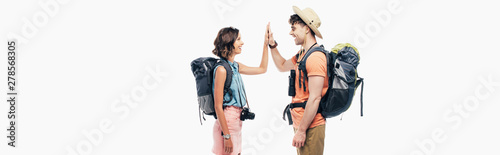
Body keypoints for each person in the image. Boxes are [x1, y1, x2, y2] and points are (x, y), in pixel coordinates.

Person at [268, 6, 328, 154]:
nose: (290, 32)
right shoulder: (302, 54)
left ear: (307, 29)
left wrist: (301, 131)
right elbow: (282, 66)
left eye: (293, 28)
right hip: (301, 123)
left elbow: (315, 98)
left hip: (310, 125)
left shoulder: (315, 57)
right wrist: (272, 44)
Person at [211, 24, 270, 155]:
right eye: (238, 39)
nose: (242, 42)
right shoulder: (221, 69)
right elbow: (218, 106)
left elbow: (262, 69)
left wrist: (265, 44)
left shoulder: (235, 66)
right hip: (227, 123)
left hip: (236, 122)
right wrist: (226, 136)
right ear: (229, 43)